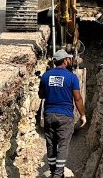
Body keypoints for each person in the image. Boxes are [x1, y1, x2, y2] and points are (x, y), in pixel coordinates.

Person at [39, 49, 86, 178]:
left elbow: (41, 95)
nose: (70, 60)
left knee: (51, 144)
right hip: (65, 116)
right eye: (68, 59)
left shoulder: (46, 75)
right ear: (65, 61)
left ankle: (53, 171)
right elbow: (78, 98)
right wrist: (82, 115)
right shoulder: (71, 77)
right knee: (63, 145)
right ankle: (58, 174)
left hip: (49, 114)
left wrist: (51, 89)